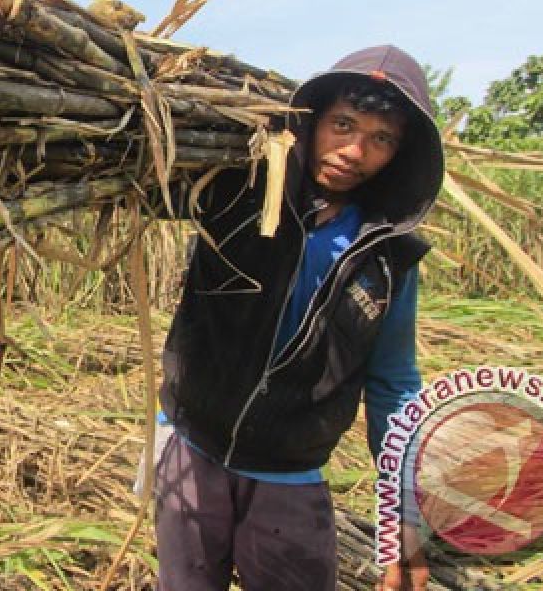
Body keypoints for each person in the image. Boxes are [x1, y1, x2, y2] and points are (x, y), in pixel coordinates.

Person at [154, 45, 443, 591]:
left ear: (399, 154)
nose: (355, 150)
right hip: (188, 446)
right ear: (310, 122)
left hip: (289, 473)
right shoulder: (235, 188)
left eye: (381, 139)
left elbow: (394, 386)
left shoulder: (386, 258)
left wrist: (402, 517)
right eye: (343, 124)